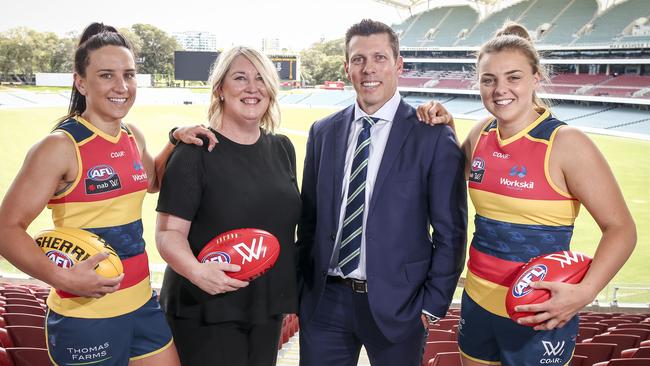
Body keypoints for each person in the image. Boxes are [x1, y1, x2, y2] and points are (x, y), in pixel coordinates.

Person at [417, 22, 636, 366]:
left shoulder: (566, 144)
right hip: (476, 302)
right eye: (488, 80)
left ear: (536, 78)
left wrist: (585, 292)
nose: (500, 89)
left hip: (541, 311)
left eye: (513, 77)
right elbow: (445, 183)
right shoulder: (480, 134)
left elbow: (621, 229)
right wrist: (446, 129)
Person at [0, 23, 216, 366]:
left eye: (129, 75)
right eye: (106, 75)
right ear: (81, 81)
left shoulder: (132, 135)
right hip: (86, 316)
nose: (122, 86)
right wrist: (61, 276)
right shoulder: (59, 147)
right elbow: (6, 229)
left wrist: (175, 139)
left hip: (142, 304)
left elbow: (150, 181)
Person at [296, 19, 468, 366]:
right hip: (326, 301)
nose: (368, 68)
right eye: (358, 59)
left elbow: (451, 232)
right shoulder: (323, 132)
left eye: (379, 57)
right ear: (347, 67)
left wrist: (432, 306)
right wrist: (304, 290)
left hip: (400, 306)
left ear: (398, 65)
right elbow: (310, 219)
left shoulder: (432, 135)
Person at [155, 46, 301, 366]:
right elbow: (167, 234)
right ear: (220, 88)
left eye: (261, 78)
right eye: (240, 77)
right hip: (206, 307)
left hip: (265, 308)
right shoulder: (195, 150)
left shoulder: (282, 149)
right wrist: (197, 272)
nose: (253, 87)